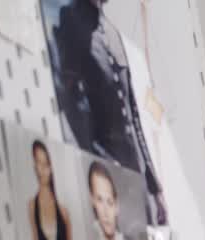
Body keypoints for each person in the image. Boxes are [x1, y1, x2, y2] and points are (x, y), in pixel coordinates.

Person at [49, 0, 167, 228]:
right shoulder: (71, 19)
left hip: (138, 174)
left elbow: (134, 114)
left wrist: (154, 186)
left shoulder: (114, 33)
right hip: (108, 176)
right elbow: (69, 101)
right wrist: (94, 156)